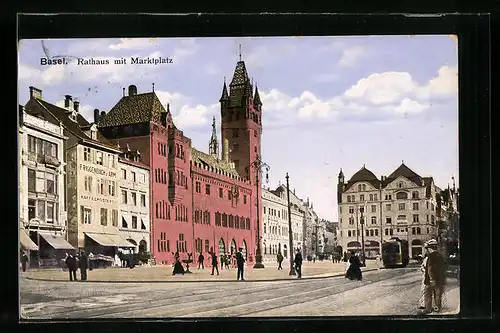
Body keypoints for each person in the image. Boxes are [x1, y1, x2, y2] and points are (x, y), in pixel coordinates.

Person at [420, 239, 447, 314]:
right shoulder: (440, 256)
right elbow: (443, 268)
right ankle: (437, 309)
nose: (426, 250)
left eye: (427, 248)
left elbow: (430, 268)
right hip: (440, 280)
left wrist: (432, 279)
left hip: (430, 280)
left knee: (428, 294)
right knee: (437, 295)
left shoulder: (431, 256)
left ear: (430, 248)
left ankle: (428, 309)